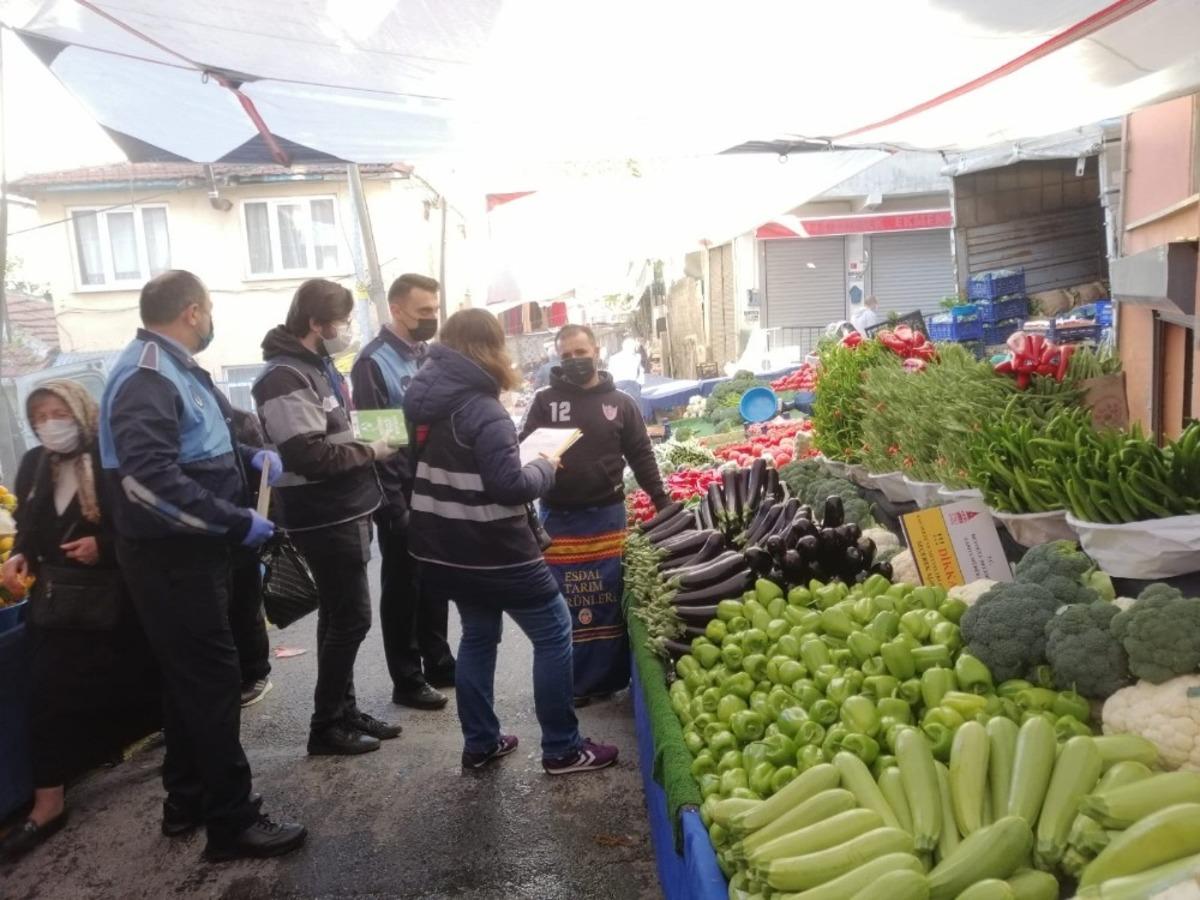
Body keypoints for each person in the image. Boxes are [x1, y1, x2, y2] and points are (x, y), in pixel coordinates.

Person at [98, 270, 305, 862]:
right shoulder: (147, 375)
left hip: (196, 557)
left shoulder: (177, 369)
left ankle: (185, 799)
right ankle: (231, 822)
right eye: (210, 309)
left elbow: (199, 448)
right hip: (172, 560)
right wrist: (234, 520)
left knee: (189, 682)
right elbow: (145, 480)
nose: (211, 320)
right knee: (212, 683)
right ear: (193, 311)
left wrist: (248, 458)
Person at [403, 308, 618, 775]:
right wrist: (543, 466)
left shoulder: (425, 399)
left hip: (447, 546)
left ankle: (481, 743)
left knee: (478, 637)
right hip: (497, 549)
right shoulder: (483, 408)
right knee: (554, 633)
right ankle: (562, 747)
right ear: (489, 348)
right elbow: (509, 486)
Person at [0, 381, 160, 863]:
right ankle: (49, 804)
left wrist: (103, 547)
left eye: (58, 411)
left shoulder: (112, 459)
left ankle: (180, 766)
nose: (50, 422)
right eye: (40, 415)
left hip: (119, 603)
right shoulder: (34, 465)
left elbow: (144, 524)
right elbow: (28, 525)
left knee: (145, 680)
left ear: (80, 410)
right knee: (47, 695)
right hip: (59, 606)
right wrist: (21, 555)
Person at [254, 278, 401, 757]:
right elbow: (309, 457)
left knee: (339, 617)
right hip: (324, 516)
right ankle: (325, 727)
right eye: (340, 320)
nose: (346, 329)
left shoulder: (316, 368)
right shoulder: (283, 376)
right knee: (352, 618)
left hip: (348, 508)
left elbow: (335, 431)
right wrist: (372, 449)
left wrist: (379, 434)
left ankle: (343, 710)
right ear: (316, 323)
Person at [520, 324, 670, 704]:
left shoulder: (620, 403)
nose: (574, 360)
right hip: (560, 521)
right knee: (567, 602)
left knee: (607, 598)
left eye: (580, 352)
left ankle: (610, 679)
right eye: (566, 355)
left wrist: (661, 500)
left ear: (596, 350)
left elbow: (641, 454)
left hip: (607, 518)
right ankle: (573, 683)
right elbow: (522, 453)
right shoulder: (544, 401)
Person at [351, 274, 455, 712]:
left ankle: (438, 659)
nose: (432, 318)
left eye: (435, 310)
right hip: (400, 490)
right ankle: (407, 678)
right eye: (423, 312)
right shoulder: (373, 364)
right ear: (396, 309)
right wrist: (395, 505)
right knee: (403, 585)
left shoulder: (428, 355)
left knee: (435, 578)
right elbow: (380, 439)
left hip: (434, 485)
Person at [229, 409, 273, 707]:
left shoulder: (235, 417)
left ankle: (256, 672)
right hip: (223, 519)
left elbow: (236, 451)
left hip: (240, 518)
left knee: (245, 604)